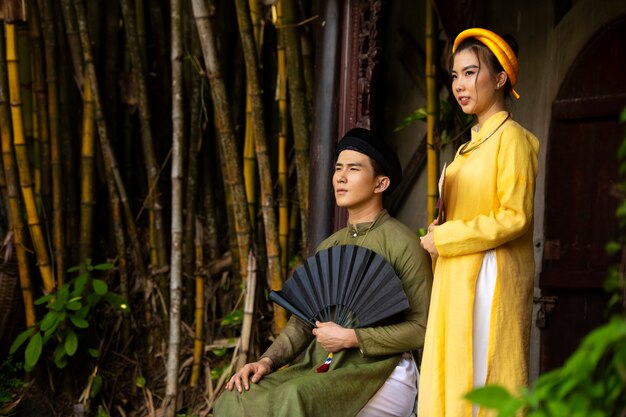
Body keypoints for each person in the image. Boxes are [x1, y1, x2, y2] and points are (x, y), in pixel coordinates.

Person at [214, 127, 433, 417]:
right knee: (235, 398)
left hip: (381, 372)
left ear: (380, 184)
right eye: (338, 168)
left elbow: (422, 328)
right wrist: (266, 362)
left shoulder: (403, 244)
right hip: (324, 367)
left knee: (295, 397)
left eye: (353, 169)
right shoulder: (329, 246)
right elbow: (302, 324)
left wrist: (353, 338)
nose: (340, 177)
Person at [417, 28, 540, 417]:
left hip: (489, 275)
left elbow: (514, 216)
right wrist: (441, 232)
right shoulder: (466, 149)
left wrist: (447, 237)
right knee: (452, 376)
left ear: (500, 78)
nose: (459, 85)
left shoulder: (513, 140)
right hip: (456, 274)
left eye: (471, 73)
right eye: (455, 76)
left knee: (482, 377)